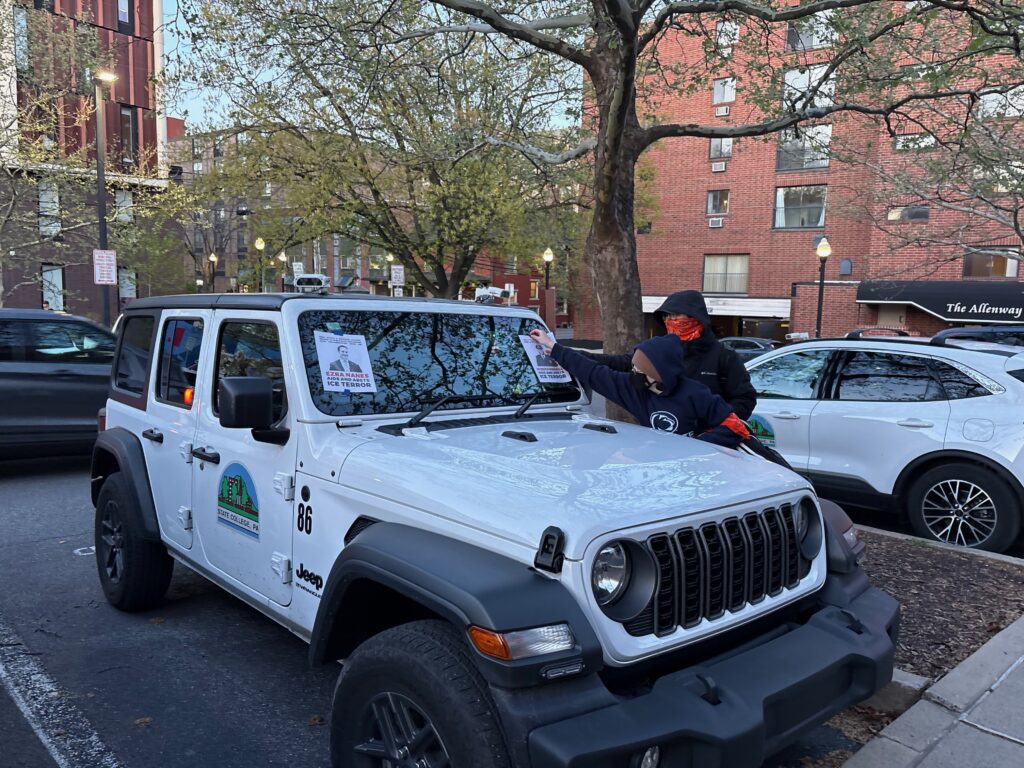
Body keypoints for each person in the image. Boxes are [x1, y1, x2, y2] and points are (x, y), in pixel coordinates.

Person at [529, 329, 749, 448]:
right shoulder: (635, 390)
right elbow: (594, 372)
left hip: (697, 469)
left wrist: (695, 446)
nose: (634, 374)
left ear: (660, 374)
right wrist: (555, 348)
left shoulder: (695, 393)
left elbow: (734, 427)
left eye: (640, 370)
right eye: (633, 368)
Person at [579, 290, 757, 420]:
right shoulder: (660, 350)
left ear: (696, 316)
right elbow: (622, 363)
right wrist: (576, 356)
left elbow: (745, 399)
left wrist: (717, 420)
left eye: (676, 315)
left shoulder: (724, 357)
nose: (670, 321)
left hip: (708, 442)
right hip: (662, 435)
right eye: (666, 316)